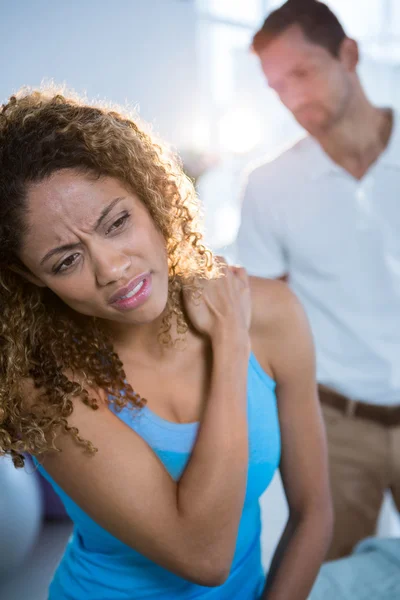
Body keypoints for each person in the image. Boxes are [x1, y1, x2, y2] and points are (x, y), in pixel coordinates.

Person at [0, 87, 331, 600]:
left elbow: (313, 513)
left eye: (117, 223)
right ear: (33, 276)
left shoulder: (272, 313)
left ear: (150, 193)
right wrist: (228, 343)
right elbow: (204, 555)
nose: (111, 268)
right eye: (66, 261)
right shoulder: (44, 385)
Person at [235, 0, 400, 562]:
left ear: (348, 54)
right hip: (336, 426)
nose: (293, 97)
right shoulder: (268, 186)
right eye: (278, 86)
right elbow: (260, 319)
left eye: (303, 72)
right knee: (329, 574)